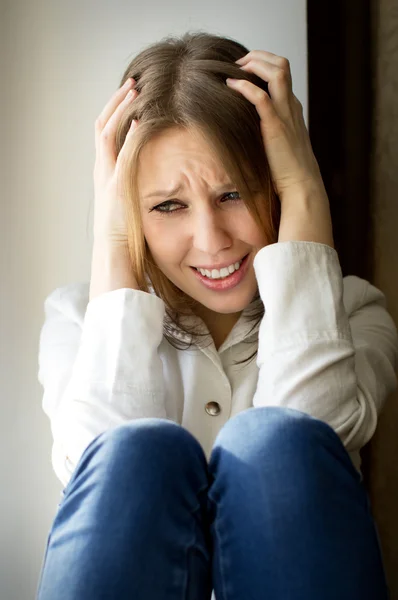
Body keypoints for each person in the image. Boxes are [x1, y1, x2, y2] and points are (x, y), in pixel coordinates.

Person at [36, 31, 398, 600]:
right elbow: (99, 475)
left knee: (277, 441)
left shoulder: (352, 313)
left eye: (235, 193)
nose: (212, 242)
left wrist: (304, 187)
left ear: (277, 187)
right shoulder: (80, 322)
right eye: (167, 206)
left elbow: (311, 445)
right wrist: (113, 240)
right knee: (135, 451)